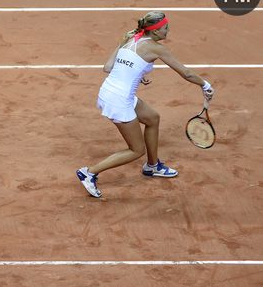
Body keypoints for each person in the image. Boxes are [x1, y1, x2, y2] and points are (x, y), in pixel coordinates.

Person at [76, 11, 214, 198]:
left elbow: (108, 67)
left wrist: (137, 74)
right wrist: (205, 85)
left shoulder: (130, 38)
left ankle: (152, 165)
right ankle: (89, 172)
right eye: (165, 27)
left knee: (152, 118)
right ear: (156, 31)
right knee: (136, 150)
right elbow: (186, 73)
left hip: (110, 91)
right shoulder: (156, 48)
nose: (168, 30)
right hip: (119, 100)